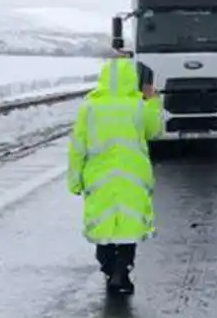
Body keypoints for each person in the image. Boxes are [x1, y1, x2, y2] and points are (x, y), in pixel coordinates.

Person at [68, 57, 163, 295]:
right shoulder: (138, 106)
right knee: (128, 227)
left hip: (99, 178)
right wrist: (153, 101)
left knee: (103, 227)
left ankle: (109, 266)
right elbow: (154, 131)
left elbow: (77, 147)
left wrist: (74, 179)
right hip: (132, 176)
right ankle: (122, 272)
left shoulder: (89, 108)